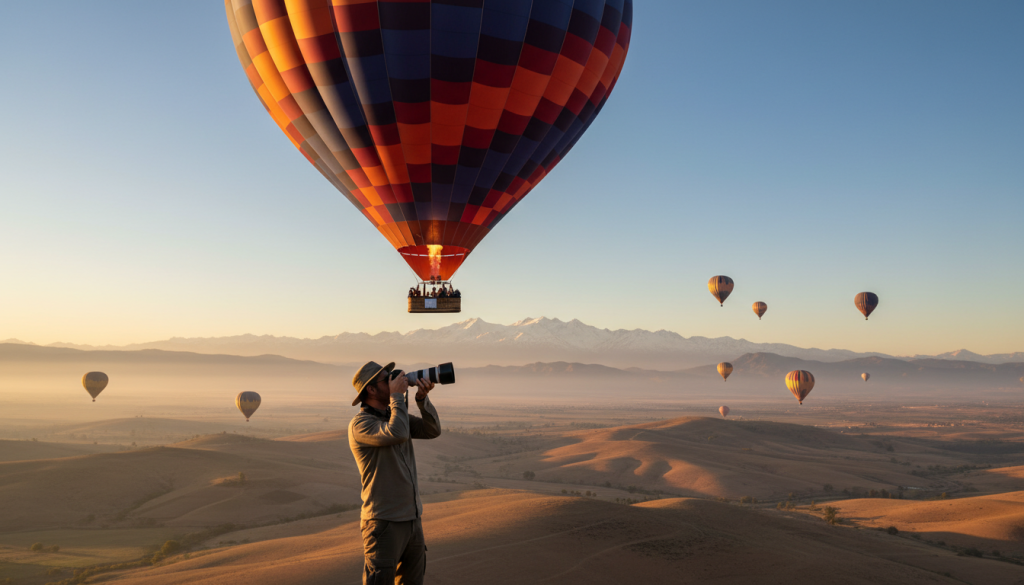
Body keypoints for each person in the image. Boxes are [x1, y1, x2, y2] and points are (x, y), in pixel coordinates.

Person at [349, 361, 440, 585]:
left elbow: (432, 430)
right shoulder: (360, 424)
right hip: (383, 523)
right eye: (386, 379)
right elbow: (397, 433)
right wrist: (397, 396)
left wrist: (422, 399)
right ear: (371, 390)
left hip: (411, 520)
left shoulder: (395, 416)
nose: (393, 381)